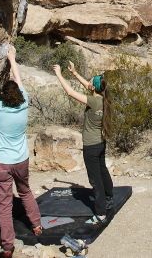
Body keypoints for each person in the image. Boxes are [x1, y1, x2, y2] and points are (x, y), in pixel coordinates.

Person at [0, 46, 42, 258]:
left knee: (4, 205)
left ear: (4, 95)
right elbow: (18, 78)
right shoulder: (24, 103)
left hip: (1, 163)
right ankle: (37, 225)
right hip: (21, 160)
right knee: (25, 192)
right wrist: (12, 58)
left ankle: (7, 247)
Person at [53, 60, 114, 226]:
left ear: (93, 88)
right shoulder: (103, 98)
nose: (89, 83)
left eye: (91, 82)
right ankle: (109, 197)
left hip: (91, 147)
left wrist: (59, 74)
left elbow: (70, 92)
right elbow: (89, 85)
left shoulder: (93, 101)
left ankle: (100, 214)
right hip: (100, 143)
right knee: (102, 170)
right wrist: (74, 73)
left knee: (95, 180)